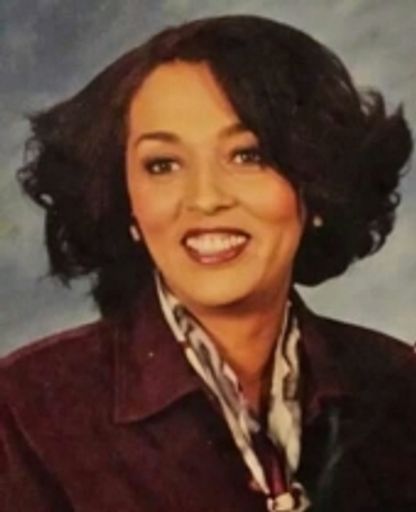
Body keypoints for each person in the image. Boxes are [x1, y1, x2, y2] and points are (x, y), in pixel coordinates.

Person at [0, 14, 415, 512]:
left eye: (247, 156)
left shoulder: (400, 385)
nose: (205, 199)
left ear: (317, 186)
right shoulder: (23, 410)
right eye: (163, 165)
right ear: (126, 203)